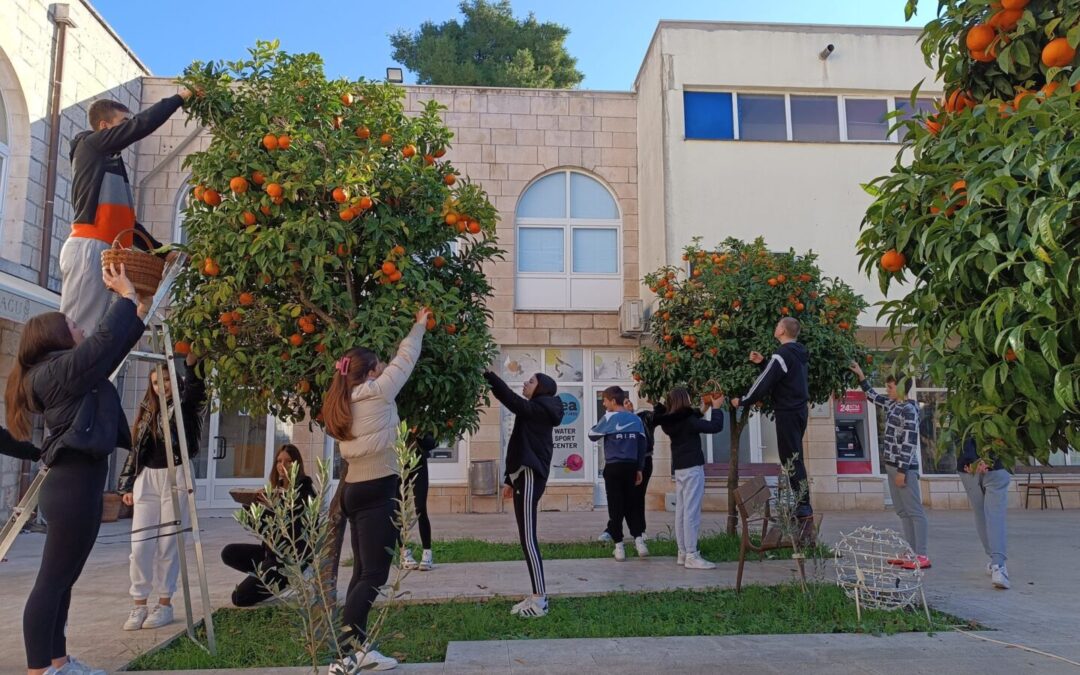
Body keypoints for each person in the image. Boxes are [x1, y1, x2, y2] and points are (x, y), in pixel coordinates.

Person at [4, 263, 148, 675]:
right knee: (52, 580)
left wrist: (136, 310)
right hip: (71, 486)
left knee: (63, 579)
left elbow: (109, 351)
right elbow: (100, 344)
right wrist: (123, 297)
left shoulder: (67, 372)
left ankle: (59, 662)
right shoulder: (52, 374)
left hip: (80, 483)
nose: (79, 328)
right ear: (55, 337)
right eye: (72, 324)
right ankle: (40, 669)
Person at [324, 308, 430, 674]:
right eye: (379, 366)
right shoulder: (377, 392)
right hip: (377, 489)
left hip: (354, 489)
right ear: (370, 372)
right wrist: (419, 325)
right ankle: (347, 655)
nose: (384, 368)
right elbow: (406, 359)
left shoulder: (344, 399)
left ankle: (356, 647)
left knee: (362, 572)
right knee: (374, 575)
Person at [62, 91, 190, 335]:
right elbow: (141, 125)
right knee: (75, 332)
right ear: (104, 126)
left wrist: (162, 252)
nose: (128, 127)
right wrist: (179, 98)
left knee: (90, 332)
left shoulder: (111, 164)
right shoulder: (91, 145)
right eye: (123, 122)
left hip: (105, 251)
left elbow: (129, 224)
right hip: (90, 246)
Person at [117, 352, 207, 630]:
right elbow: (136, 450)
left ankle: (164, 604)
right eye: (156, 382)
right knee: (140, 544)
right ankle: (139, 604)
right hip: (147, 478)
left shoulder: (184, 406)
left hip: (176, 475)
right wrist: (127, 483)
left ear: (175, 381)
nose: (161, 386)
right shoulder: (147, 409)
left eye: (166, 380)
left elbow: (196, 391)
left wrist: (192, 366)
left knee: (169, 543)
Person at [483, 369, 563, 619]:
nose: (525, 384)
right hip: (522, 476)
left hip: (529, 475)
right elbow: (520, 444)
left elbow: (509, 398)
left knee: (528, 538)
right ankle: (536, 594)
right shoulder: (536, 409)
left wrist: (488, 375)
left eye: (531, 381)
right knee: (525, 537)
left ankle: (540, 600)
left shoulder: (540, 408)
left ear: (541, 387)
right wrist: (510, 479)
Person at [849, 361, 930, 570]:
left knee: (915, 511)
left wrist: (902, 471)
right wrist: (861, 376)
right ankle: (910, 551)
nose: (887, 390)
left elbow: (909, 442)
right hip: (892, 467)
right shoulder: (893, 405)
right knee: (903, 511)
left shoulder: (909, 410)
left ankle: (921, 554)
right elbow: (873, 397)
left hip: (905, 469)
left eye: (891, 387)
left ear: (901, 388)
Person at [731, 317, 813, 519]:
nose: (775, 327)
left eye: (777, 325)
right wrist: (763, 363)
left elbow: (764, 382)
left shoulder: (782, 354)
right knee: (794, 456)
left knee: (791, 458)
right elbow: (782, 377)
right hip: (799, 410)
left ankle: (803, 505)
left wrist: (743, 400)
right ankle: (801, 503)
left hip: (787, 411)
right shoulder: (798, 353)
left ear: (782, 331)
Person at [220, 445, 317, 607]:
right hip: (270, 554)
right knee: (229, 553)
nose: (282, 465)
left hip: (289, 560)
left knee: (239, 598)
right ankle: (268, 580)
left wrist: (273, 506)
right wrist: (251, 504)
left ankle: (289, 579)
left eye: (288, 461)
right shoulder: (274, 489)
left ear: (296, 464)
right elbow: (260, 528)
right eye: (279, 461)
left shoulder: (305, 491)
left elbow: (294, 528)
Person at [653, 387, 725, 570]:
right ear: (684, 400)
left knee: (682, 512)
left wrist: (704, 408)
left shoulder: (671, 421)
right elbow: (715, 427)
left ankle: (683, 552)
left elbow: (690, 418)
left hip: (680, 469)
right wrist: (717, 408)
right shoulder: (688, 421)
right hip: (692, 468)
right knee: (691, 513)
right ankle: (692, 555)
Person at [589, 386, 649, 562]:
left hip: (613, 467)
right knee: (632, 504)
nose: (604, 404)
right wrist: (639, 469)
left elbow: (592, 434)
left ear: (613, 401)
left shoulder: (609, 417)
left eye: (605, 401)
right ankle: (639, 542)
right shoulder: (635, 419)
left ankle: (619, 547)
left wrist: (604, 422)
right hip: (631, 467)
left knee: (615, 507)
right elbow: (642, 446)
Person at [598, 399, 657, 544]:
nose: (628, 404)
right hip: (625, 463)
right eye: (624, 402)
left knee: (637, 497)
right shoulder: (614, 420)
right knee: (620, 499)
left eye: (629, 401)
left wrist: (655, 402)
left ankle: (639, 531)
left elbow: (659, 416)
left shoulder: (643, 417)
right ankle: (614, 530)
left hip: (643, 460)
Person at [958, 438, 1010, 589]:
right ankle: (998, 566)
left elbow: (961, 432)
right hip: (997, 465)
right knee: (995, 515)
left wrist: (971, 460)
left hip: (968, 468)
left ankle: (995, 561)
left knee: (981, 514)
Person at [400, 433, 437, 572]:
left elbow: (432, 443)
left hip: (419, 460)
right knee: (400, 508)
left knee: (421, 508)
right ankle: (404, 552)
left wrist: (420, 434)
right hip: (399, 460)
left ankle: (427, 553)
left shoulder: (421, 422)